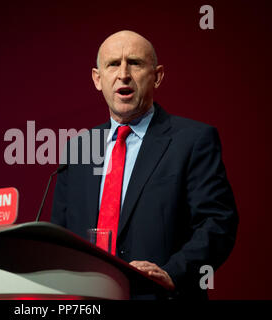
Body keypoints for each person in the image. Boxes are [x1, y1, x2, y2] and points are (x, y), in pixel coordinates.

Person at [50, 30, 238, 299]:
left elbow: (218, 222)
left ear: (157, 76)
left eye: (135, 63)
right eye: (113, 64)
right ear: (97, 78)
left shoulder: (193, 140)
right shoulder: (79, 147)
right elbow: (61, 233)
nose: (123, 74)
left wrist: (174, 272)